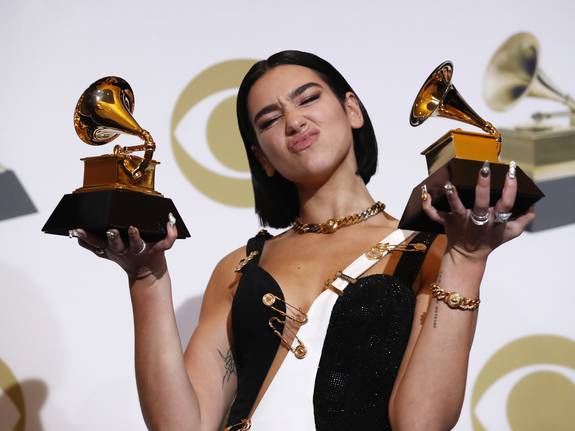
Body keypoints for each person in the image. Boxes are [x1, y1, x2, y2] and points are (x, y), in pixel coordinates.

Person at [71, 50, 534, 430]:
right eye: (270, 119)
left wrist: (468, 261)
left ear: (352, 109)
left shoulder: (430, 249)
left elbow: (420, 422)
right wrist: (147, 278)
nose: (294, 122)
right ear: (261, 158)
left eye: (308, 99)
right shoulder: (239, 267)